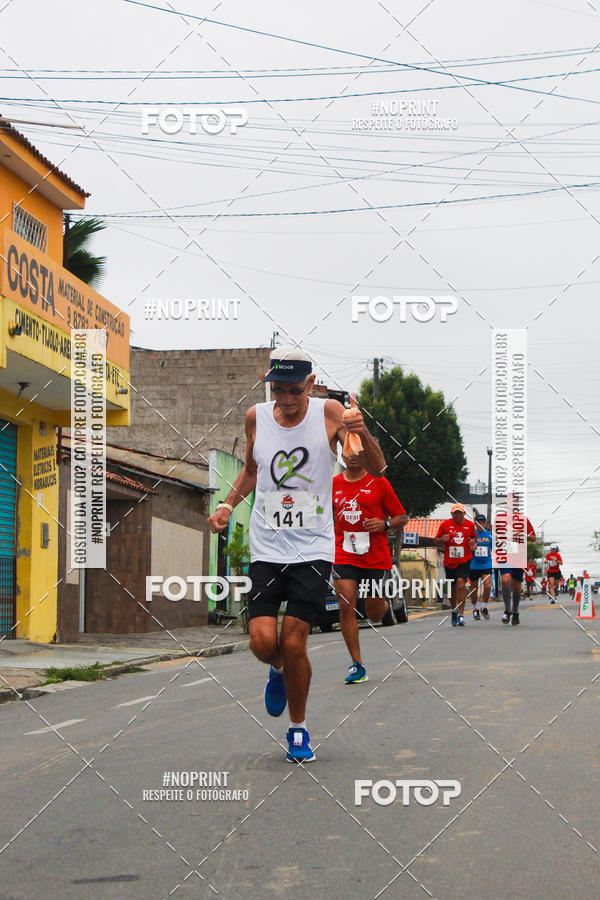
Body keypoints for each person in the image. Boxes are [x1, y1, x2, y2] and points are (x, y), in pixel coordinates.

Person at [207, 346, 385, 763]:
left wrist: (363, 431)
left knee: (294, 639)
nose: (284, 400)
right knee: (263, 642)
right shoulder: (257, 417)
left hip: (313, 548)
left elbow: (371, 467)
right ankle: (279, 668)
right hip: (266, 547)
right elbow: (251, 470)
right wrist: (227, 505)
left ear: (309, 384)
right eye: (277, 390)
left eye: (293, 390)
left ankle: (299, 730)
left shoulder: (332, 414)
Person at [332, 451, 407, 684]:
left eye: (358, 453)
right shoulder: (333, 484)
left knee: (374, 614)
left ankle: (385, 604)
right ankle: (357, 665)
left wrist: (384, 524)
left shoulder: (379, 481)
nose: (352, 457)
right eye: (348, 452)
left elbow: (401, 517)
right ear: (342, 454)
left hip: (374, 556)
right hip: (344, 554)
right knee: (346, 604)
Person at [435, 504, 477, 626]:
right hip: (449, 561)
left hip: (464, 560)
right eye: (455, 513)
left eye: (460, 513)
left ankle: (461, 614)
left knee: (461, 583)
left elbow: (475, 538)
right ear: (451, 514)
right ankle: (454, 610)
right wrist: (442, 539)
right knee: (452, 588)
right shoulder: (445, 525)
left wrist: (472, 542)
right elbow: (436, 540)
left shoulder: (469, 525)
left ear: (464, 513)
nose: (458, 515)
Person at [496, 508, 536, 626]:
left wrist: (520, 534)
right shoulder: (500, 519)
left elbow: (533, 538)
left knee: (516, 585)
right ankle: (507, 610)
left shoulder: (523, 520)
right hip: (504, 555)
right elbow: (493, 535)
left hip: (518, 556)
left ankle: (515, 612)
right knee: (505, 579)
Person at [468, 513, 493, 620]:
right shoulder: (471, 535)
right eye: (478, 523)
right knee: (473, 589)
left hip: (487, 564)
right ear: (475, 524)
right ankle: (474, 609)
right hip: (474, 565)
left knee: (487, 585)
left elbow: (497, 548)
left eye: (483, 522)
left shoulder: (490, 535)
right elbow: (466, 549)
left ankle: (484, 607)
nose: (481, 524)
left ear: (485, 523)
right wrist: (471, 547)